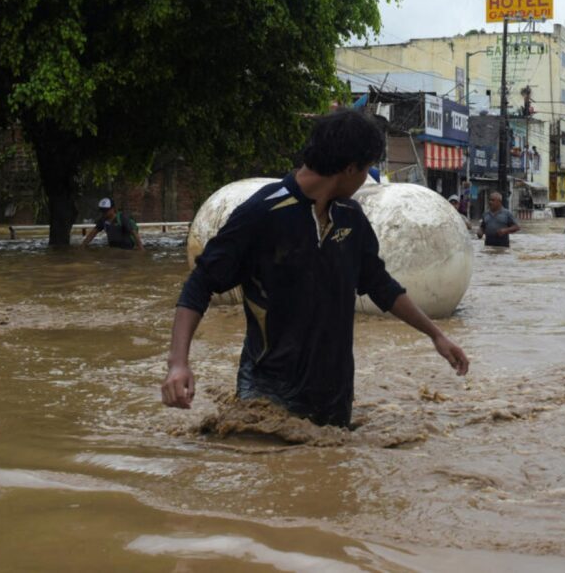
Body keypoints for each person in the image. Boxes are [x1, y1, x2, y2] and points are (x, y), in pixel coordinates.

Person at [161, 110, 469, 427]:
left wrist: (436, 335)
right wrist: (178, 363)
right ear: (350, 168)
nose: (365, 178)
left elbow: (380, 285)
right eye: (366, 169)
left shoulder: (351, 217)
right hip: (267, 391)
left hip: (334, 394)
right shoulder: (262, 213)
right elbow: (200, 283)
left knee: (329, 457)